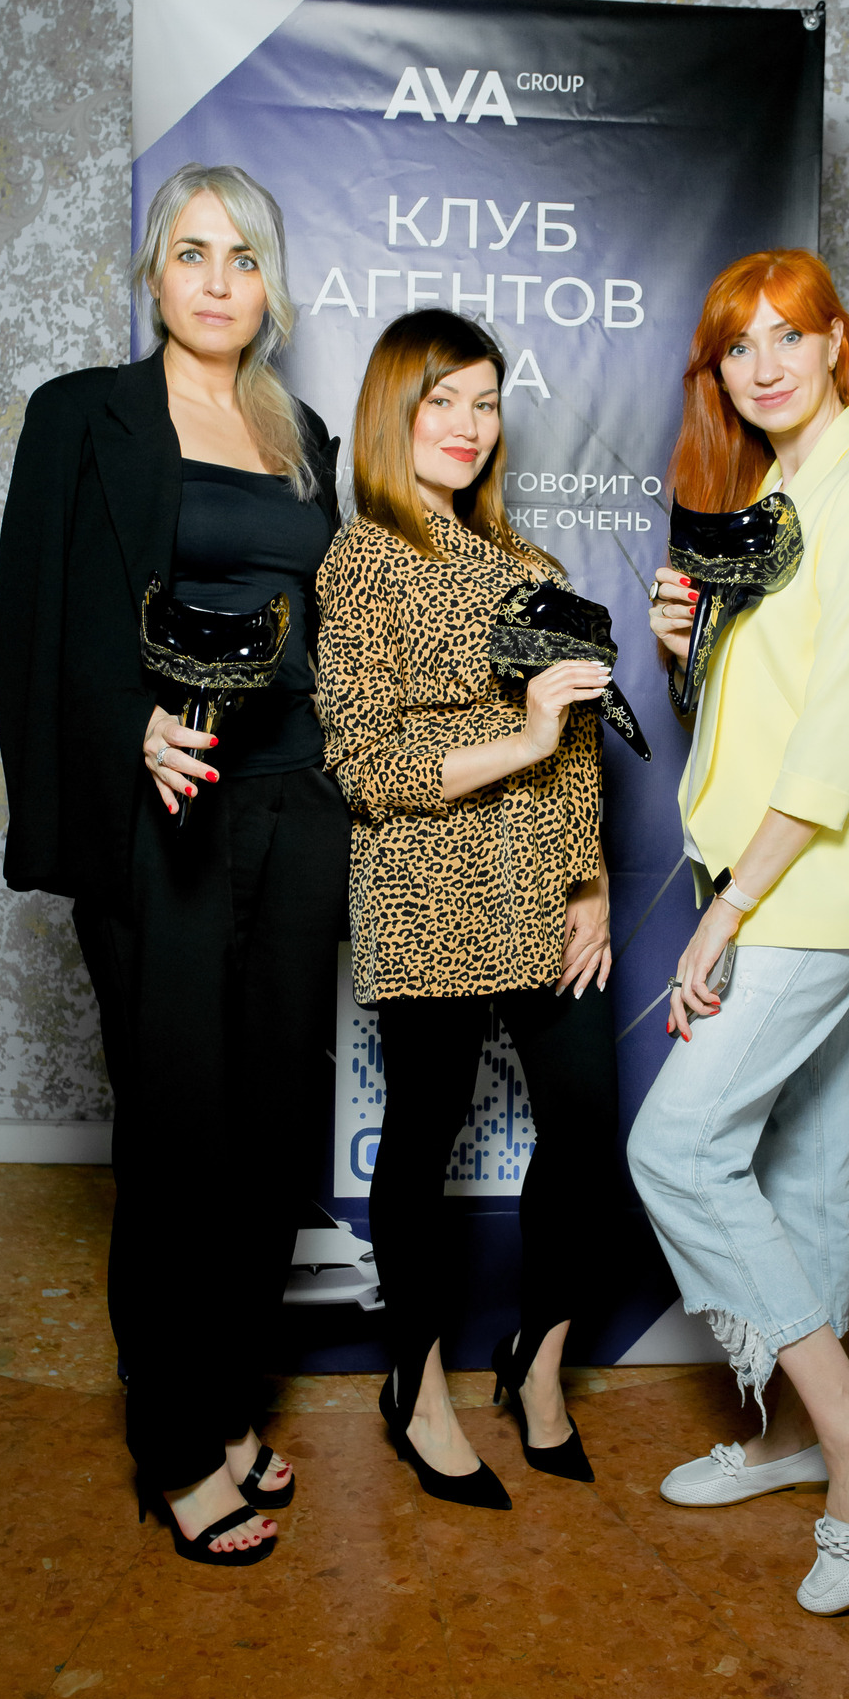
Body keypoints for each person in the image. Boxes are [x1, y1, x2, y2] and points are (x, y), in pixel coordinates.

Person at [0, 163, 350, 1565]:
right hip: (164, 822)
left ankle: (229, 1401)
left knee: (271, 1138)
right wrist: (129, 722)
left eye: (242, 257)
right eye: (192, 252)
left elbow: (325, 627)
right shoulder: (82, 415)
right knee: (178, 1140)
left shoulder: (300, 433)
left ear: (269, 287)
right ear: (154, 274)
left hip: (294, 814)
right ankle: (175, 1445)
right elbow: (38, 620)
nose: (216, 280)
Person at [627, 248, 849, 1615]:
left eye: (786, 337)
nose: (762, 366)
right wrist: (682, 646)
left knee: (678, 1149)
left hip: (806, 887)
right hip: (772, 873)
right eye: (736, 346)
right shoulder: (776, 496)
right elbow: (754, 715)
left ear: (834, 344)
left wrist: (728, 911)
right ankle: (799, 1437)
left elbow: (834, 739)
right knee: (804, 1160)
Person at [316, 309, 618, 1510]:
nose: (466, 424)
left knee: (585, 1129)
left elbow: (576, 746)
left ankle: (536, 1360)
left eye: (484, 403)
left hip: (541, 880)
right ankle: (418, 1385)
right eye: (440, 399)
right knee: (424, 1134)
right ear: (392, 411)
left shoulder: (528, 564)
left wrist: (591, 883)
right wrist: (521, 737)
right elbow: (363, 765)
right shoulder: (362, 559)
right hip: (426, 884)